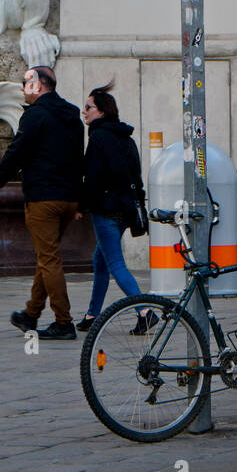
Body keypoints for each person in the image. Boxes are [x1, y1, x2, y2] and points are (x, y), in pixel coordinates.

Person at [0, 66, 84, 340]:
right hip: (67, 199)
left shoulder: (35, 116)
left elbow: (17, 152)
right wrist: (79, 201)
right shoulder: (72, 116)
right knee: (48, 256)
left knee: (49, 259)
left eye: (26, 83)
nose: (22, 88)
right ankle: (30, 314)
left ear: (39, 85)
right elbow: (80, 160)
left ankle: (64, 323)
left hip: (43, 198)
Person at [76, 81, 155, 336]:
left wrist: (81, 205)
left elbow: (94, 180)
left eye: (88, 107)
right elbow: (136, 177)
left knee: (116, 264)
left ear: (101, 111)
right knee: (100, 260)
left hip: (106, 211)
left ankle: (144, 311)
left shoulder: (99, 138)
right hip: (125, 211)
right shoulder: (126, 138)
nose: (84, 111)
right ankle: (92, 315)